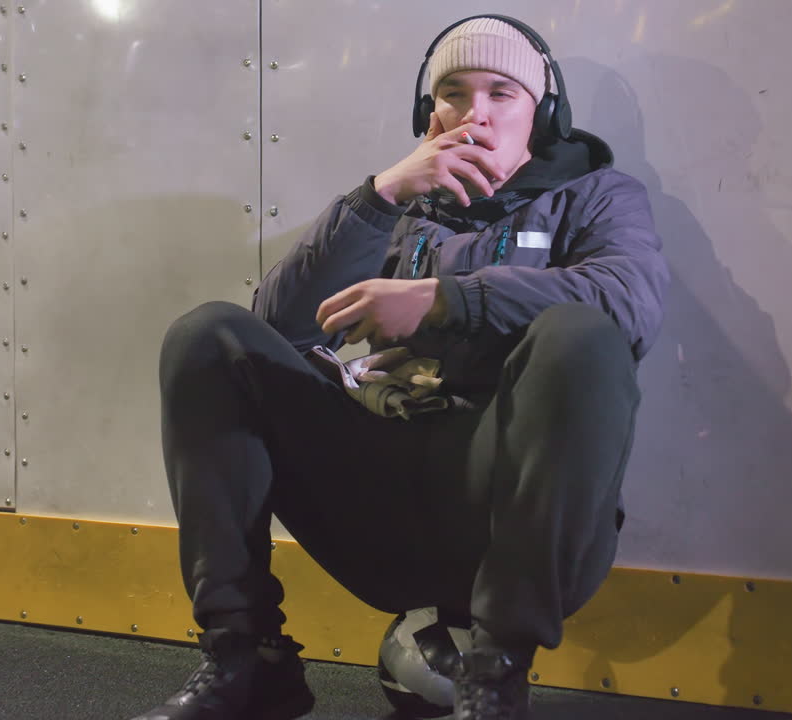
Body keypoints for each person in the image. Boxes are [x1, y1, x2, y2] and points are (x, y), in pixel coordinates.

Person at [135, 14, 669, 720]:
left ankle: (497, 672)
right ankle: (247, 657)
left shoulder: (598, 196)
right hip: (384, 488)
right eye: (452, 91)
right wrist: (378, 198)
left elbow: (629, 302)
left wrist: (446, 299)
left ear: (542, 113)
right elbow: (278, 329)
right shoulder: (403, 206)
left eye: (501, 92)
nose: (473, 112)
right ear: (428, 110)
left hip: (507, 501)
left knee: (580, 336)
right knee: (210, 337)